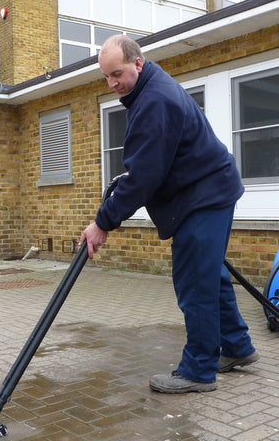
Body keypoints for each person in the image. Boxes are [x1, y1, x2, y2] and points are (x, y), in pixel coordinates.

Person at [80, 34, 258, 394]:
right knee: (210, 277)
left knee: (195, 283)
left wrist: (103, 223)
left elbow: (145, 179)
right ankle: (236, 346)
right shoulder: (149, 92)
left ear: (138, 64)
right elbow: (154, 162)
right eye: (106, 77)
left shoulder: (154, 101)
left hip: (204, 198)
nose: (113, 83)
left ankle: (198, 370)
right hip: (209, 192)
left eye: (117, 74)